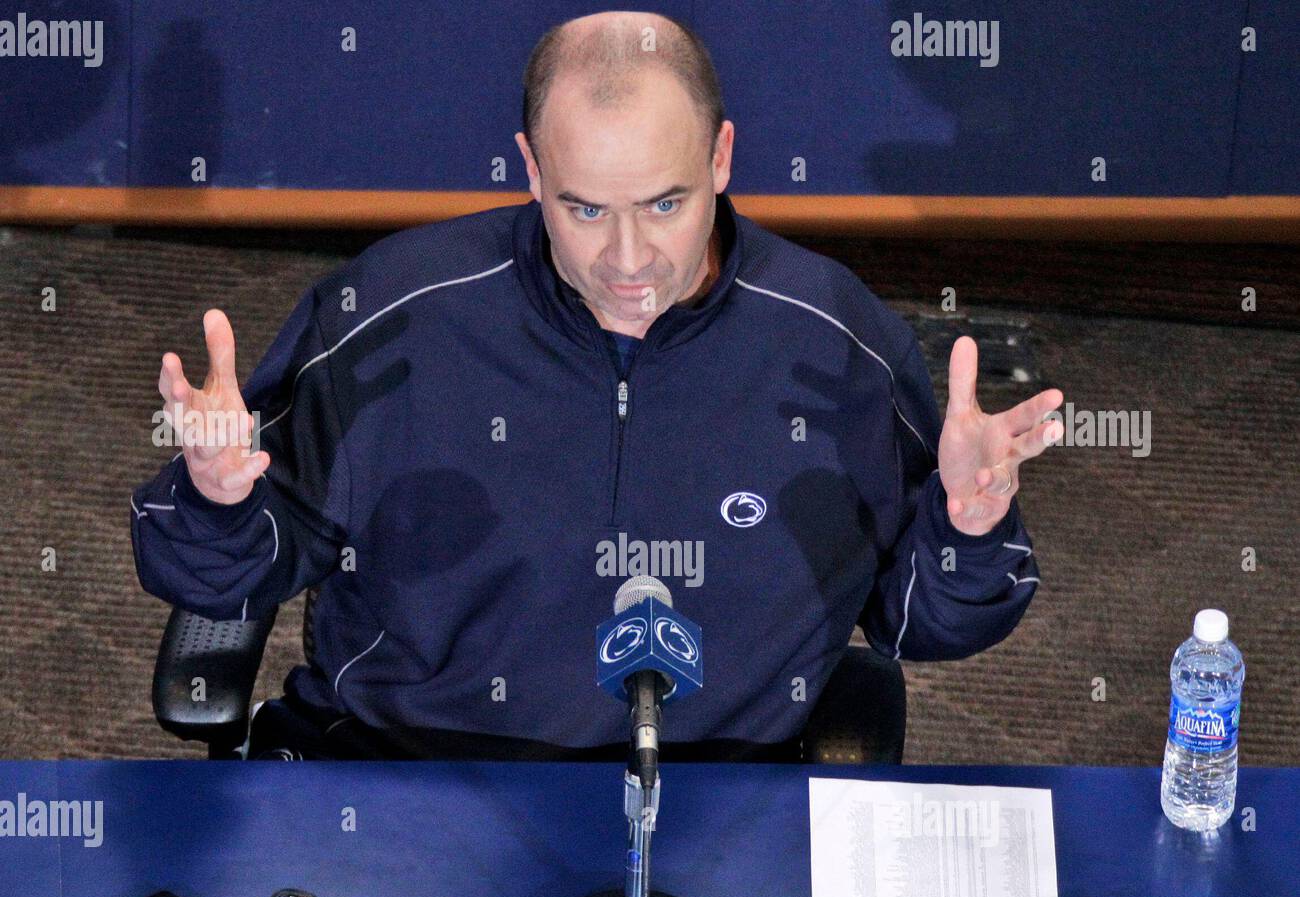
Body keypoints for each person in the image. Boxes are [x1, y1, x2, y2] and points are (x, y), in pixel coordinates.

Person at [130, 10, 1062, 761]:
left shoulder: (838, 342)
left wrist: (967, 532)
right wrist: (215, 502)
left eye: (666, 203)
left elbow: (919, 622)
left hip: (714, 801)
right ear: (531, 170)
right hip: (409, 774)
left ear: (723, 160)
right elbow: (215, 569)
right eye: (584, 208)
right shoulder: (390, 314)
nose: (629, 262)